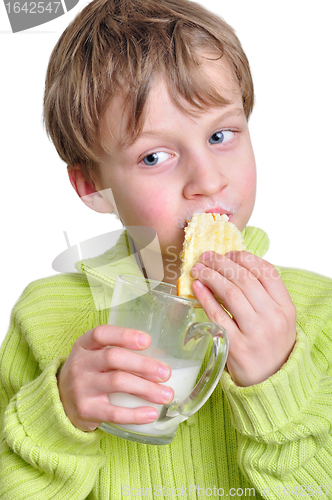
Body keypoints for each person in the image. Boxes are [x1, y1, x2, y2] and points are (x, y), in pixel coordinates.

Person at [1, 0, 332, 498]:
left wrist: (279, 383)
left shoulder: (317, 311)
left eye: (221, 135)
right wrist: (60, 416)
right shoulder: (43, 316)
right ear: (91, 184)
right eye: (154, 156)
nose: (207, 179)